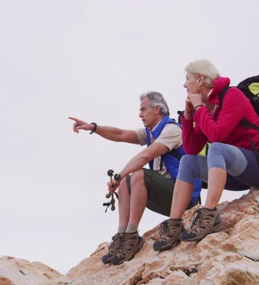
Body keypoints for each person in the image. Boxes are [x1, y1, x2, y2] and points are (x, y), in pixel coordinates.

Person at [153, 59, 259, 251]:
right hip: (237, 175)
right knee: (187, 161)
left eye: (187, 79)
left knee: (216, 148)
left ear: (201, 80)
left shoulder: (233, 95)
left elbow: (217, 135)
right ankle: (174, 224)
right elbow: (191, 150)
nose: (184, 84)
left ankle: (209, 214)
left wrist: (199, 109)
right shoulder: (205, 107)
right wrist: (188, 119)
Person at [69, 92, 200, 265]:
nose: (140, 114)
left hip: (185, 198)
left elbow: (146, 155)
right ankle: (122, 236)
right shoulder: (151, 133)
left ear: (157, 109)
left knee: (136, 173)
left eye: (143, 109)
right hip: (170, 196)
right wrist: (93, 127)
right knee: (126, 180)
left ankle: (132, 235)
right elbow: (120, 134)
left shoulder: (172, 130)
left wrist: (118, 176)